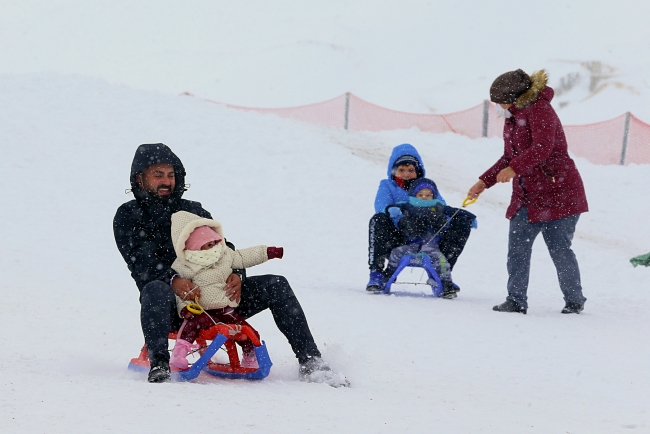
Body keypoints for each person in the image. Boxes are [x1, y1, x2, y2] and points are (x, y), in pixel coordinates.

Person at [114, 143, 349, 386]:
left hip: (220, 299)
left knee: (276, 284)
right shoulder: (128, 215)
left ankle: (311, 362)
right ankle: (160, 364)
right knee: (154, 288)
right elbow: (140, 262)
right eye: (158, 175)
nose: (166, 181)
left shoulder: (193, 209)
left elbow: (222, 248)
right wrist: (173, 280)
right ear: (140, 179)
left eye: (171, 175)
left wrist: (237, 273)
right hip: (175, 308)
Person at [467, 69, 588, 314]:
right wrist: (484, 182)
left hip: (559, 192)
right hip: (528, 196)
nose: (498, 106)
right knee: (517, 250)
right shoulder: (514, 117)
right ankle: (516, 299)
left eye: (500, 101)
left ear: (514, 97)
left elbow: (543, 148)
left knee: (560, 250)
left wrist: (514, 168)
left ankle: (575, 301)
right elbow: (509, 156)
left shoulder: (539, 110)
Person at [167, 210, 284, 370]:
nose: (214, 247)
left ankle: (250, 357)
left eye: (215, 242)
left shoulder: (224, 255)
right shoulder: (186, 265)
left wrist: (268, 252)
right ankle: (179, 355)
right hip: (202, 312)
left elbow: (244, 256)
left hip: (226, 311)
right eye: (208, 244)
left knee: (247, 332)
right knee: (190, 327)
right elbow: (181, 291)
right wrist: (184, 308)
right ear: (195, 247)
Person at [367, 143, 475, 292]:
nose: (406, 174)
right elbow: (381, 205)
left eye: (411, 170)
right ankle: (377, 273)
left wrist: (439, 218)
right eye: (401, 170)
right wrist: (400, 217)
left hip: (429, 237)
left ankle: (443, 274)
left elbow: (441, 206)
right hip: (398, 236)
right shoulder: (387, 185)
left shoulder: (426, 186)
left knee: (461, 221)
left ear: (418, 171)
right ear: (393, 171)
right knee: (378, 219)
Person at [382, 178, 458, 298]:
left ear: (433, 196)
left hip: (431, 246)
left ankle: (446, 283)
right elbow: (393, 208)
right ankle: (389, 274)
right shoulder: (408, 206)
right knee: (395, 253)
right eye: (420, 194)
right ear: (414, 195)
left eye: (428, 195)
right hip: (411, 245)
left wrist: (437, 218)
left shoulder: (437, 208)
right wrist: (394, 211)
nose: (424, 197)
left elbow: (445, 223)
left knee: (442, 261)